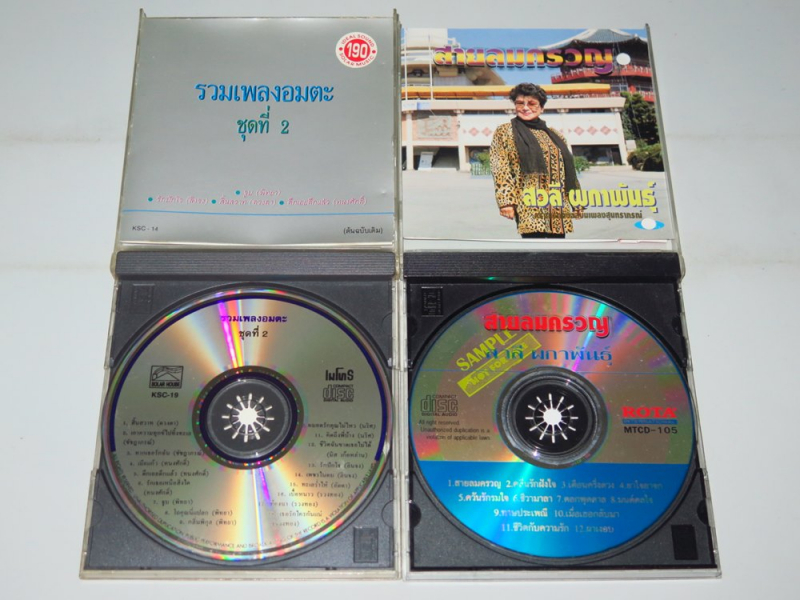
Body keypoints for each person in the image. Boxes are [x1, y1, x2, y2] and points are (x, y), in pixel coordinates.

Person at [490, 83, 581, 238]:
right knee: (535, 246)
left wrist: (577, 200)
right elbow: (500, 167)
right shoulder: (505, 132)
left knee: (558, 246)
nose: (525, 108)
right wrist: (506, 201)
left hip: (557, 204)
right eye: (520, 103)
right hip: (529, 203)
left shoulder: (555, 135)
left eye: (532, 103)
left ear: (541, 108)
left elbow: (568, 170)